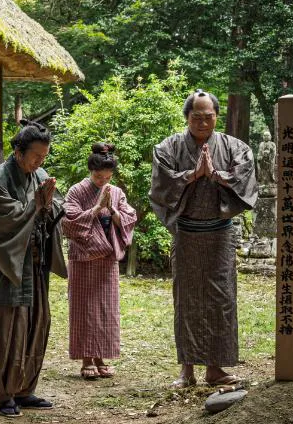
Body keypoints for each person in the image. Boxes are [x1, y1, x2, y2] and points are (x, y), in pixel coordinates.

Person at [149, 89, 258, 389]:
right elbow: (162, 184)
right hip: (186, 233)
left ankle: (215, 367)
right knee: (187, 299)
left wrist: (217, 175)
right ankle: (187, 369)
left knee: (221, 299)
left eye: (208, 117)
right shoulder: (168, 147)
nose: (202, 123)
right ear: (187, 117)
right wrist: (192, 175)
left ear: (216, 116)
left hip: (220, 235)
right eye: (196, 117)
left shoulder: (235, 147)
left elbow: (246, 176)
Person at [0, 119, 66, 418]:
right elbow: (3, 220)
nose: (40, 163)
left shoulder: (39, 174)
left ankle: (25, 388)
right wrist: (35, 205)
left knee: (35, 324)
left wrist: (49, 204)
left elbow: (53, 207)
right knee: (6, 328)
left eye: (44, 157)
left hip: (34, 262)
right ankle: (5, 394)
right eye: (36, 157)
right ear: (18, 151)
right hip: (6, 264)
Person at [62, 143, 137, 380]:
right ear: (90, 171)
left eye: (107, 176)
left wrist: (111, 210)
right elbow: (70, 221)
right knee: (84, 307)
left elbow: (129, 217)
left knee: (105, 308)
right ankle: (86, 358)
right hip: (83, 256)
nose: (102, 181)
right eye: (97, 176)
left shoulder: (116, 192)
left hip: (107, 257)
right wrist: (96, 208)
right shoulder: (76, 191)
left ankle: (101, 357)